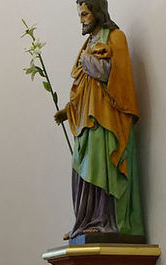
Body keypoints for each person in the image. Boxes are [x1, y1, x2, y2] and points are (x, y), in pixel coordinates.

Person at [54, 0, 144, 242]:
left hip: (106, 119)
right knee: (81, 169)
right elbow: (83, 90)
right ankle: (84, 221)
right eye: (80, 14)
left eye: (85, 13)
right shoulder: (89, 43)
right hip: (86, 119)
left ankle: (105, 221)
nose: (81, 19)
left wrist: (88, 61)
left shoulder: (116, 37)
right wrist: (67, 111)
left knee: (101, 166)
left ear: (97, 11)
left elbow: (115, 77)